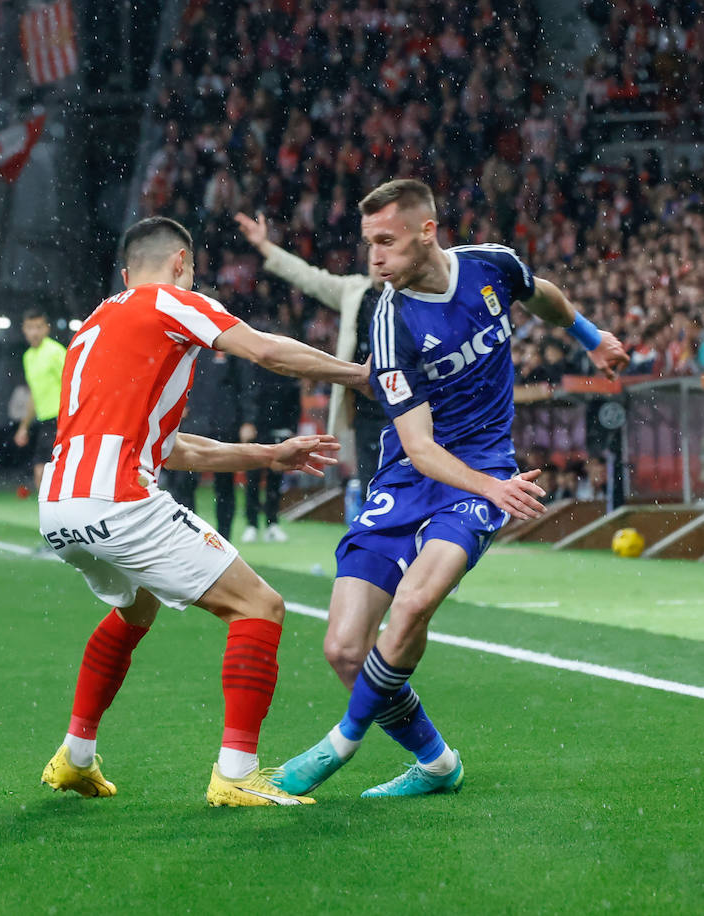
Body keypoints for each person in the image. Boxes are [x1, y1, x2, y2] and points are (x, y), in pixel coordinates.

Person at [269, 180, 628, 799]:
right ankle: (437, 765)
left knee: (411, 605)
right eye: (367, 244)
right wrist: (494, 488)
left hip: (481, 469)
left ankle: (342, 742)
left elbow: (541, 295)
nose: (374, 257)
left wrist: (592, 338)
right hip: (415, 474)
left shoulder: (492, 266)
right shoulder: (390, 321)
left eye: (386, 241)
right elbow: (420, 448)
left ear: (427, 231)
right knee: (343, 650)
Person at [38, 216, 370, 807]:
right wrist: (359, 374)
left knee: (135, 610)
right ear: (179, 263)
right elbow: (266, 351)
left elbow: (174, 447)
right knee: (260, 607)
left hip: (59, 507)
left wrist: (268, 455)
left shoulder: (94, 324)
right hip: (118, 500)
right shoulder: (171, 302)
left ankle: (75, 757)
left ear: (123, 272)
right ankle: (237, 772)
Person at [235, 211, 389, 492]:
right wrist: (264, 245)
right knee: (373, 488)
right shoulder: (354, 290)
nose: (377, 259)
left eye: (384, 248)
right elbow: (309, 277)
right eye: (371, 251)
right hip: (367, 408)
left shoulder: (410, 294)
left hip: (406, 406)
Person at [160, 346, 251, 539]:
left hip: (225, 425)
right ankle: (185, 536)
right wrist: (173, 405)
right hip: (194, 421)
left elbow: (245, 383)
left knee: (224, 485)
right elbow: (170, 377)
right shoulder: (187, 343)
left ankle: (224, 539)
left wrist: (248, 420)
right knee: (184, 483)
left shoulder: (230, 344)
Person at [239, 335, 301, 543]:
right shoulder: (255, 369)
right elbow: (248, 396)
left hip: (279, 431)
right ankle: (251, 524)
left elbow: (295, 402)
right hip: (258, 431)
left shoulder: (289, 372)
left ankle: (272, 524)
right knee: (253, 480)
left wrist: (291, 429)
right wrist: (249, 423)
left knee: (275, 482)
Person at [13, 310, 66, 496]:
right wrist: (23, 427)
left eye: (38, 327)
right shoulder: (28, 357)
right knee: (41, 475)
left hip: (63, 420)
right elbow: (34, 396)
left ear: (47, 329)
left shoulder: (56, 352)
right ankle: (53, 521)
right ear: (23, 330)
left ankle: (60, 520)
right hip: (46, 423)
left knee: (46, 474)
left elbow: (74, 385)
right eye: (30, 327)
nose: (34, 332)